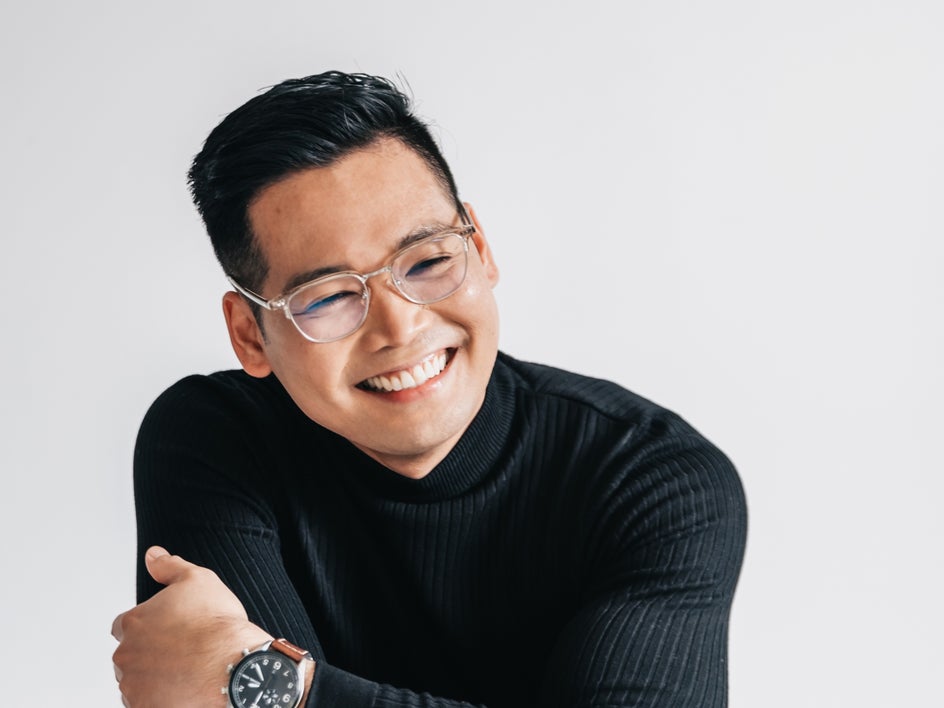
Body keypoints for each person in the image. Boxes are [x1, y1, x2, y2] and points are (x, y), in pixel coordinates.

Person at [111, 71, 747, 708]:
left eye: (428, 261)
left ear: (481, 251)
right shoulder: (216, 442)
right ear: (249, 334)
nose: (400, 327)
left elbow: (228, 688)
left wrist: (289, 688)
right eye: (328, 297)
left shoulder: (656, 479)